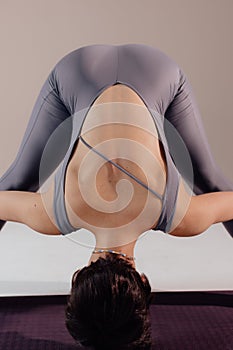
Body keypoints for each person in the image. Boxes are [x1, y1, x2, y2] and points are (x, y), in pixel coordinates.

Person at [0, 43, 233, 349]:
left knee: (212, 185)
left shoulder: (183, 216)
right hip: (79, 71)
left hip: (156, 71)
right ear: (77, 279)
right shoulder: (52, 214)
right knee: (19, 181)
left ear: (145, 283)